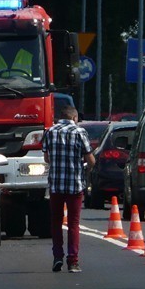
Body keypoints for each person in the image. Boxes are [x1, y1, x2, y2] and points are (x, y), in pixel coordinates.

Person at [43, 105, 95, 273]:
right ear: (74, 118)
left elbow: (46, 158)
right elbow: (91, 159)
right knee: (73, 223)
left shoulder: (50, 132)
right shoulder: (80, 132)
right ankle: (73, 261)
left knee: (55, 222)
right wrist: (86, 169)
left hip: (56, 185)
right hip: (75, 185)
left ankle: (57, 257)